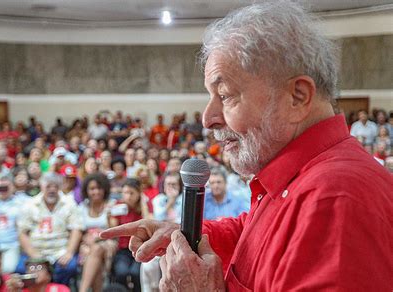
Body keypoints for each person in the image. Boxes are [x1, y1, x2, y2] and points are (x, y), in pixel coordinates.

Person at [101, 2, 392, 291]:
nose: (208, 118)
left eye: (225, 95)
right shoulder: (300, 176)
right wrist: (188, 235)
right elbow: (257, 236)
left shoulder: (335, 201)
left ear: (297, 97)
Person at [16, 172, 83, 285]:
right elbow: (22, 233)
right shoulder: (30, 204)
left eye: (55, 187)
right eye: (48, 187)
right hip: (36, 251)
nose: (52, 190)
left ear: (59, 187)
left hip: (60, 252)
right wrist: (34, 255)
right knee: (21, 269)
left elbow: (77, 229)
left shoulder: (69, 203)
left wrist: (69, 253)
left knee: (69, 267)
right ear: (42, 187)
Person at [109, 178, 152, 291]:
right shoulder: (119, 206)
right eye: (125, 193)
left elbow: (149, 224)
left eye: (131, 193)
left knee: (136, 273)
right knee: (121, 273)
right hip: (123, 250)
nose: (128, 196)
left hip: (141, 249)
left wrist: (143, 203)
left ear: (139, 193)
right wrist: (108, 215)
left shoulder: (144, 207)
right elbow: (113, 229)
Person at [78, 173, 118, 292]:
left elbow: (114, 230)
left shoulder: (111, 205)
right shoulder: (82, 207)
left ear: (104, 189)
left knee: (97, 249)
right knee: (95, 257)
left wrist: (97, 238)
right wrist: (87, 240)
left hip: (108, 242)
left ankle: (83, 290)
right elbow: (78, 230)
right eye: (92, 189)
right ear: (86, 190)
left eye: (99, 188)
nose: (96, 192)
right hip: (87, 243)